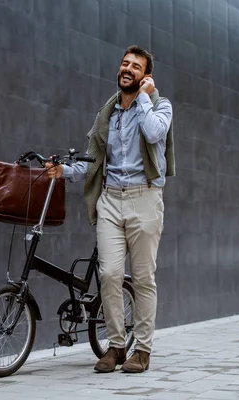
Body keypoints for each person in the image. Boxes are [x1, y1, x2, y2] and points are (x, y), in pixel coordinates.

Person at [45, 45, 175, 373]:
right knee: (109, 274)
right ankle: (117, 346)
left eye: (135, 66)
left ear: (145, 75)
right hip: (111, 200)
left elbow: (153, 132)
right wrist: (64, 172)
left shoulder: (160, 106)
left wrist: (145, 96)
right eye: (124, 63)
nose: (127, 69)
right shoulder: (108, 113)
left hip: (145, 198)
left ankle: (142, 350)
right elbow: (94, 162)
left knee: (143, 277)